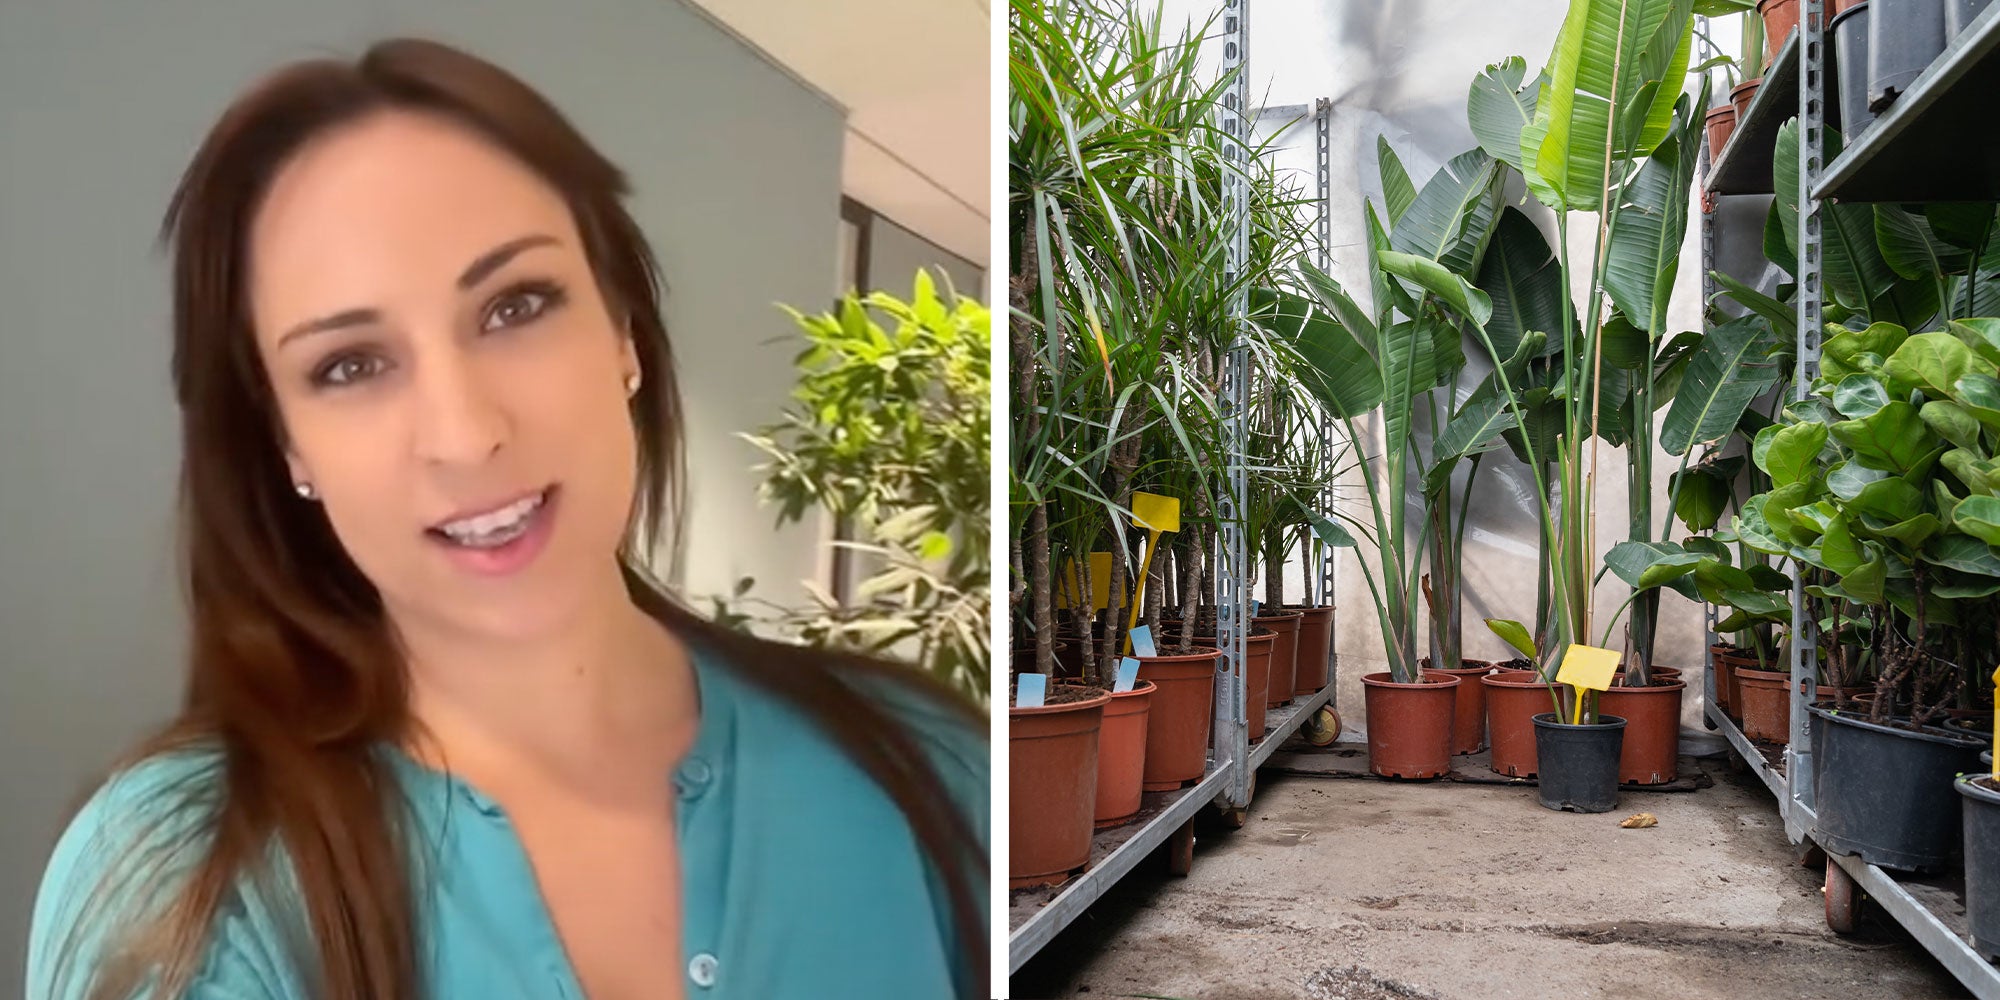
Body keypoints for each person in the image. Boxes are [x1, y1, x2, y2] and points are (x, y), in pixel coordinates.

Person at [25, 38, 987, 1000]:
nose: (465, 433)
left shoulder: (927, 771)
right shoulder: (181, 878)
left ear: (622, 336)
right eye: (350, 365)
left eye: (515, 305)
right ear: (290, 451)